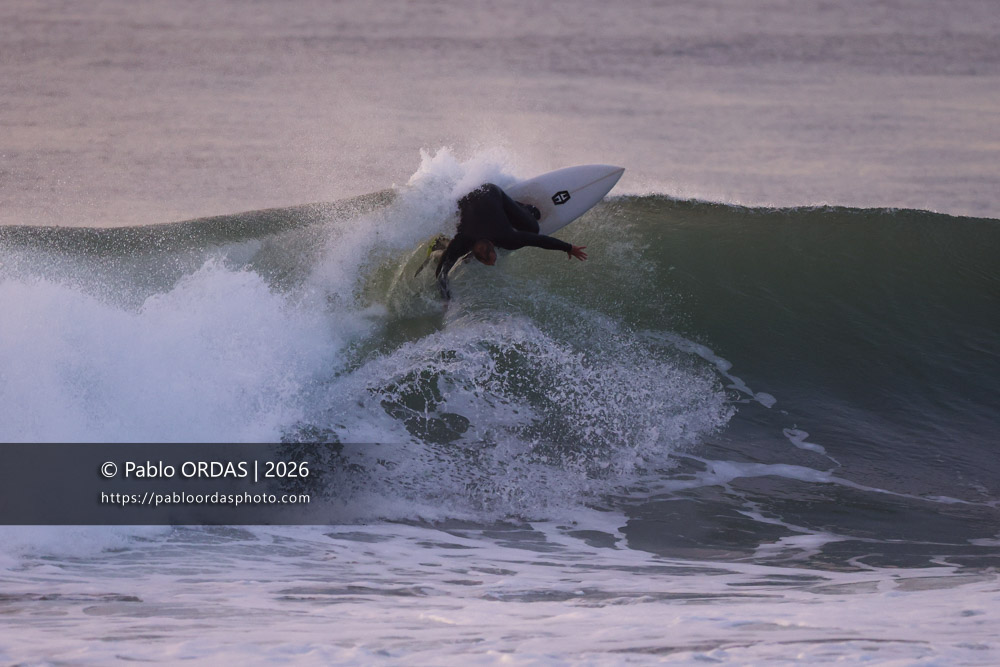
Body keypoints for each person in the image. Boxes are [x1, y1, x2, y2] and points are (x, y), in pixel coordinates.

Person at [434, 183, 587, 299]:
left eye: (491, 259)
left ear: (493, 243)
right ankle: (444, 241)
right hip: (471, 195)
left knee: (533, 227)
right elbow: (441, 272)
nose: (494, 264)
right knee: (463, 227)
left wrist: (569, 248)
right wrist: (446, 299)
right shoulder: (463, 240)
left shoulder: (506, 237)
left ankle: (525, 208)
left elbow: (539, 240)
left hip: (490, 192)